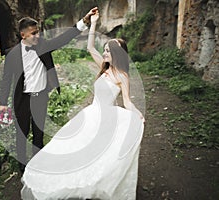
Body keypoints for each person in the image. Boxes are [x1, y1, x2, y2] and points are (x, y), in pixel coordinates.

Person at [20, 10, 145, 200]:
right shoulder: (104, 67)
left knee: (98, 156)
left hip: (107, 118)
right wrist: (92, 23)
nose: (104, 53)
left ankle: (97, 184)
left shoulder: (122, 76)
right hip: (91, 114)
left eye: (108, 51)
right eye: (105, 50)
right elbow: (90, 48)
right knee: (72, 150)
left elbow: (127, 101)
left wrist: (138, 114)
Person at [0, 7, 99, 172]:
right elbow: (7, 80)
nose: (37, 36)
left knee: (38, 133)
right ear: (23, 35)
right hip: (22, 99)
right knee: (21, 135)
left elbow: (63, 39)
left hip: (40, 98)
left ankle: (39, 165)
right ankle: (23, 169)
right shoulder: (12, 54)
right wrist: (3, 103)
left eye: (38, 32)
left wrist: (85, 21)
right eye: (33, 33)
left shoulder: (42, 45)